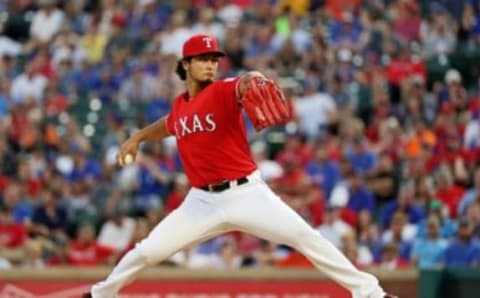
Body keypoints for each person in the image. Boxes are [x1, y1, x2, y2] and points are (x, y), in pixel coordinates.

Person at [85, 34, 396, 298]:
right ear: (186, 65)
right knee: (148, 251)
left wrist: (256, 79)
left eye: (213, 59)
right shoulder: (181, 105)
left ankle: (370, 293)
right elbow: (169, 124)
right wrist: (138, 137)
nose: (210, 64)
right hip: (202, 201)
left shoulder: (222, 90)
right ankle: (101, 294)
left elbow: (244, 82)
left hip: (247, 193)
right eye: (202, 58)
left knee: (306, 237)